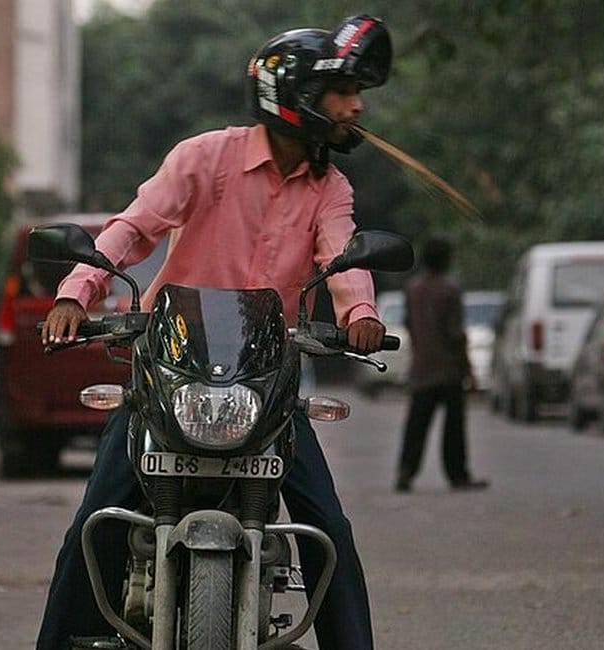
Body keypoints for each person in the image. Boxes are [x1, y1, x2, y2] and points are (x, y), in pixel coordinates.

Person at [37, 15, 393, 650]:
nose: (356, 106)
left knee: (329, 530)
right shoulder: (205, 158)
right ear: (296, 97)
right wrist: (75, 292)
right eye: (342, 92)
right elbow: (134, 227)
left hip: (266, 379)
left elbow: (343, 257)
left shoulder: (330, 187)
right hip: (169, 369)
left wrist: (359, 314)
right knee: (96, 520)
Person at [395, 236, 489, 493]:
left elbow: (410, 324)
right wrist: (467, 370)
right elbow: (456, 334)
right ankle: (457, 474)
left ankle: (405, 471)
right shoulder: (450, 290)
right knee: (454, 427)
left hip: (422, 367)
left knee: (416, 425)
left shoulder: (413, 289)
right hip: (448, 369)